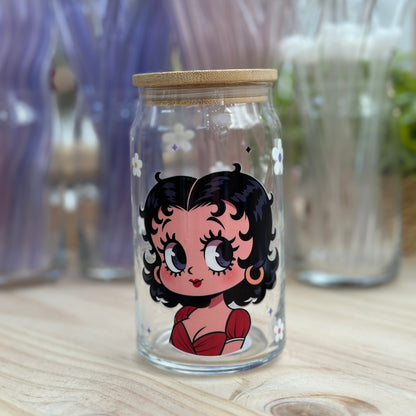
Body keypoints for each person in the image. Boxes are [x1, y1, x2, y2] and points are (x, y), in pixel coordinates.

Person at [140, 163, 278, 356]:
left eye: (219, 254)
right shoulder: (183, 314)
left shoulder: (236, 322)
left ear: (253, 258)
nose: (193, 270)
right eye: (176, 257)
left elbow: (232, 355)